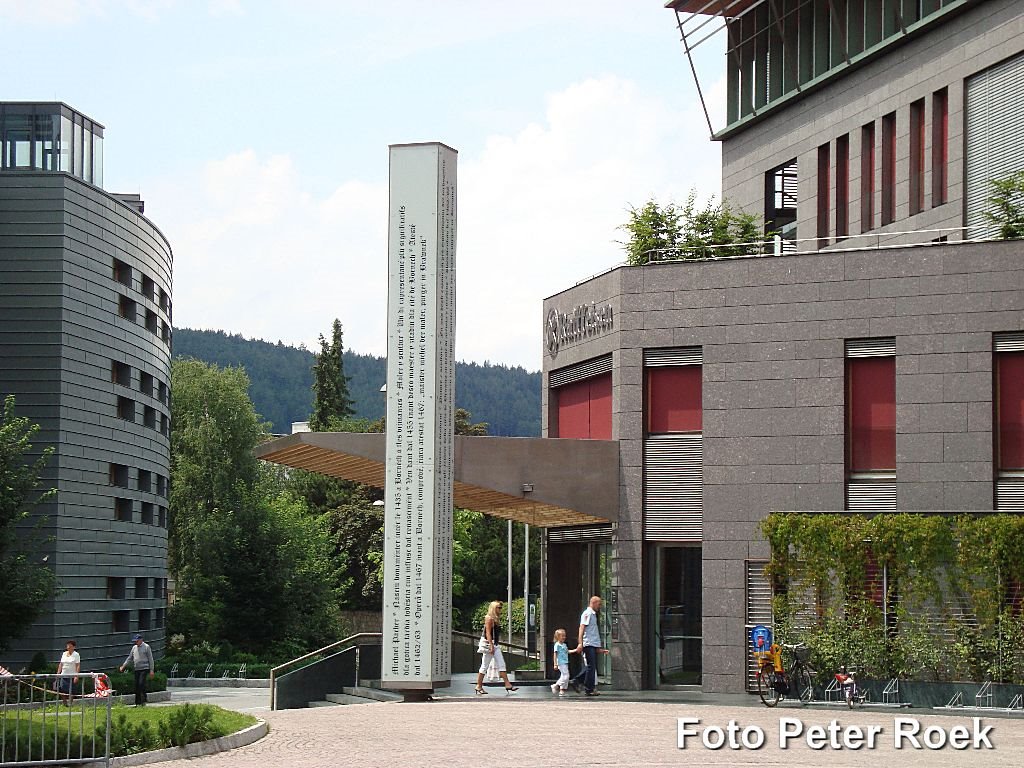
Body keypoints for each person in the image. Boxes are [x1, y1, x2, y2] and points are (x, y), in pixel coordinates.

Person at [474, 601, 518, 695]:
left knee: (501, 664)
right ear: (494, 608)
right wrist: (491, 645)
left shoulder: (496, 618)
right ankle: (479, 685)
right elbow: (488, 633)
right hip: (489, 644)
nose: (500, 609)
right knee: (484, 666)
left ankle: (507, 684)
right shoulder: (489, 618)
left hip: (495, 644)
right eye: (499, 607)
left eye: (501, 607)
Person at [570, 595, 610, 696]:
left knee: (591, 666)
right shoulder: (587, 614)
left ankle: (580, 683)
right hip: (588, 643)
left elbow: (592, 631)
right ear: (594, 603)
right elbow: (582, 628)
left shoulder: (592, 614)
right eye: (599, 604)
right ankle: (587, 687)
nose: (599, 606)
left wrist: (598, 648)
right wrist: (580, 643)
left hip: (592, 643)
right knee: (591, 666)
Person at [119, 634, 155, 706]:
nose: (136, 642)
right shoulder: (134, 648)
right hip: (137, 669)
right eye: (135, 641)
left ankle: (143, 699)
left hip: (144, 668)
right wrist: (123, 666)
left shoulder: (146, 647)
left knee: (141, 684)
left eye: (137, 641)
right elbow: (129, 658)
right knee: (136, 686)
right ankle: (137, 703)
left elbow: (151, 659)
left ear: (141, 640)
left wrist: (151, 670)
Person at [550, 628, 576, 696]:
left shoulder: (564, 645)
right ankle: (556, 685)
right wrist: (555, 664)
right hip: (560, 662)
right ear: (558, 637)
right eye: (562, 636)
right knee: (566, 676)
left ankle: (562, 690)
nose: (564, 637)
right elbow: (555, 654)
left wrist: (575, 650)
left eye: (565, 636)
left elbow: (567, 652)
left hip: (565, 662)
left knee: (564, 675)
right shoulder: (557, 645)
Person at [56, 640, 80, 705]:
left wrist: (76, 676)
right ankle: (64, 702)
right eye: (68, 645)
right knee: (62, 689)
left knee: (71, 690)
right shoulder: (64, 654)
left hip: (72, 675)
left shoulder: (76, 655)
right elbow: (61, 664)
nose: (68, 647)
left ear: (74, 647)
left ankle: (70, 703)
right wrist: (58, 673)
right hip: (64, 674)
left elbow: (77, 665)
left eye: (70, 646)